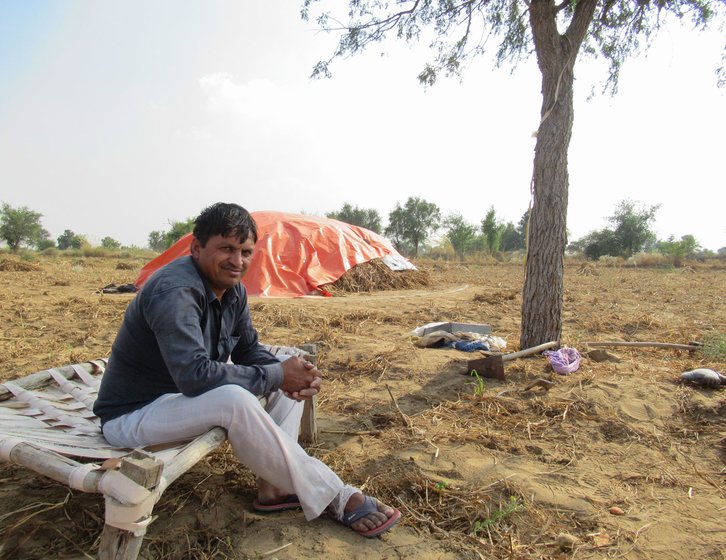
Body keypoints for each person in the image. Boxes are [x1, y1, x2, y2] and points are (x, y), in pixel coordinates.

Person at [93, 202, 401, 538]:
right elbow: (195, 376)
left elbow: (248, 351)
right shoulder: (175, 291)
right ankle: (335, 495)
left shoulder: (233, 289)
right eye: (225, 248)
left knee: (283, 361)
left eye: (245, 251)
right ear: (197, 248)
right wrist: (280, 375)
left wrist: (293, 373)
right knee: (236, 398)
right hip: (134, 415)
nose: (237, 261)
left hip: (179, 401)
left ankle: (273, 488)